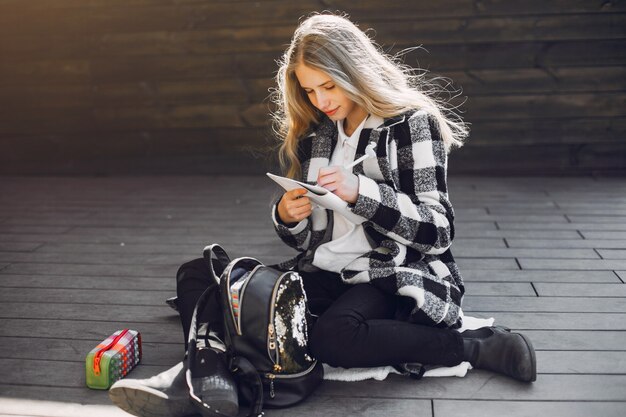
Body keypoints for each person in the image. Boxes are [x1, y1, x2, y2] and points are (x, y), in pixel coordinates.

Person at [109, 13, 536, 417]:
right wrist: (288, 215)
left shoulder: (409, 126)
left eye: (328, 86)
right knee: (199, 275)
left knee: (333, 338)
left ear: (356, 71)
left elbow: (438, 232)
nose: (320, 100)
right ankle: (210, 370)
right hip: (324, 269)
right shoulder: (319, 131)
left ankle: (472, 346)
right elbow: (306, 240)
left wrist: (363, 193)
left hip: (388, 270)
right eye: (310, 90)